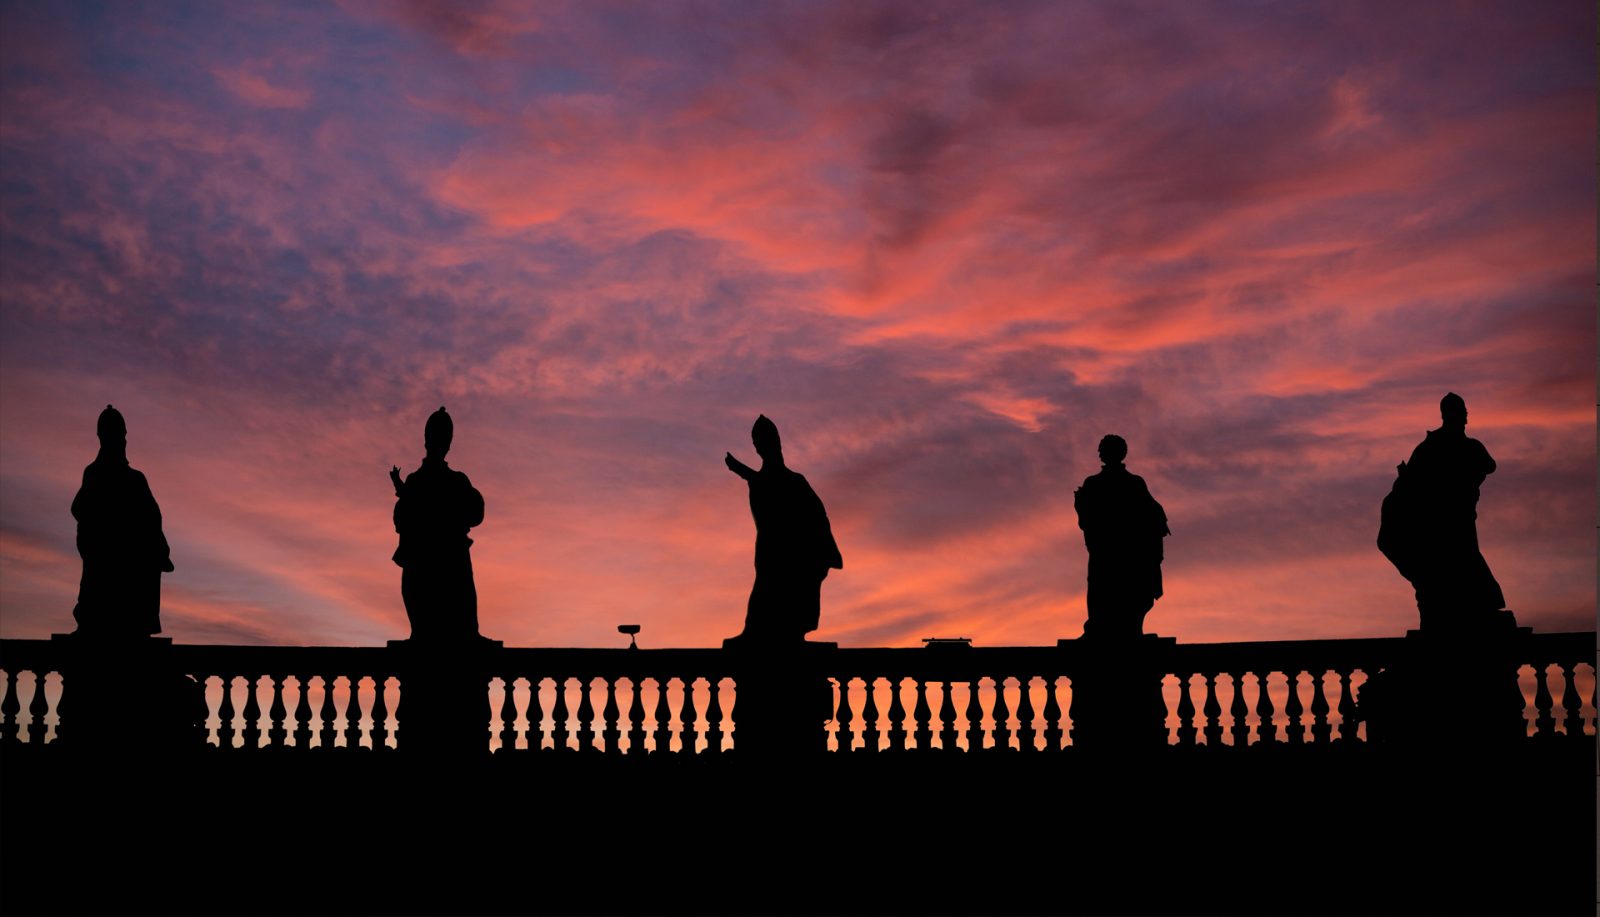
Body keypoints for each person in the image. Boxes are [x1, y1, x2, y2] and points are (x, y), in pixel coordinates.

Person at [1377, 393, 1506, 631]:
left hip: (1458, 517)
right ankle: (1462, 608)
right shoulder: (1432, 447)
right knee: (1452, 565)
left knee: (1464, 561)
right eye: (1461, 410)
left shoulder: (1462, 447)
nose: (1465, 415)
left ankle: (1472, 607)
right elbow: (1410, 485)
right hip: (1439, 522)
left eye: (1464, 410)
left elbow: (1489, 466)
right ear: (1450, 414)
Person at [724, 415, 842, 645]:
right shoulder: (768, 479)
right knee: (767, 586)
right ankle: (755, 632)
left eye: (765, 440)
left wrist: (744, 472)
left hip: (792, 551)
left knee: (785, 588)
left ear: (775, 443)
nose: (761, 446)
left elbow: (815, 516)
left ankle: (786, 634)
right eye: (758, 441)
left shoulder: (794, 481)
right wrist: (745, 473)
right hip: (770, 546)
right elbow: (766, 493)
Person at [70, 404, 174, 637]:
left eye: (123, 434)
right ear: (105, 437)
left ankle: (135, 616)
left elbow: (152, 516)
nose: (123, 440)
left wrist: (158, 545)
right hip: (104, 553)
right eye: (119, 434)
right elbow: (78, 509)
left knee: (145, 550)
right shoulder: (95, 473)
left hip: (130, 556)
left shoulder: (135, 480)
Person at [392, 407, 487, 642]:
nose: (441, 443)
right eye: (438, 436)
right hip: (427, 558)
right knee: (425, 608)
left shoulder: (456, 480)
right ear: (427, 440)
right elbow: (402, 519)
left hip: (450, 557)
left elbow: (476, 514)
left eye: (445, 437)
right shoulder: (421, 481)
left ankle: (465, 635)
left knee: (460, 601)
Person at [1074, 435, 1169, 639]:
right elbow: (1088, 520)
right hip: (1110, 550)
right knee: (1104, 588)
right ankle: (1105, 630)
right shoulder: (1102, 483)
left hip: (1123, 551)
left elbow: (1154, 516)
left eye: (1105, 449)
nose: (1102, 453)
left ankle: (1122, 631)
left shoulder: (1129, 483)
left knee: (1119, 588)